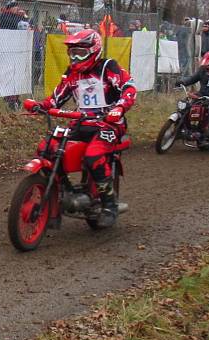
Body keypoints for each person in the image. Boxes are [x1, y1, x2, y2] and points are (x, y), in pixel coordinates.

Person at [25, 29, 137, 227]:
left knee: (93, 155)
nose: (75, 58)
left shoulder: (107, 67)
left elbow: (128, 87)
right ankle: (61, 193)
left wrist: (119, 108)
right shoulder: (72, 73)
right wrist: (40, 106)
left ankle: (109, 204)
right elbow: (56, 98)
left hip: (109, 124)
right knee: (47, 148)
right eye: (72, 53)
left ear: (94, 50)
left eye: (80, 53)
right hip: (81, 122)